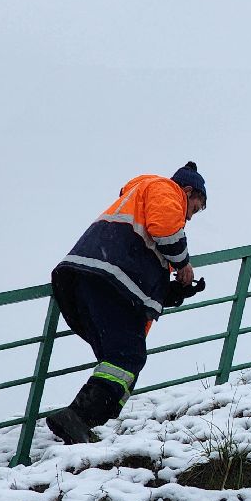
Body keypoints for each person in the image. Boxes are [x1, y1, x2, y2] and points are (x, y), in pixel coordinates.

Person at [45, 162, 209, 445]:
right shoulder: (165, 188)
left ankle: (80, 421)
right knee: (127, 357)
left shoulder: (139, 196)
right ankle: (77, 417)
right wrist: (183, 264)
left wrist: (169, 292)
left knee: (120, 357)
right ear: (188, 190)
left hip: (92, 277)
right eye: (194, 208)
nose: (190, 217)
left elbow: (142, 259)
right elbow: (166, 230)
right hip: (108, 278)